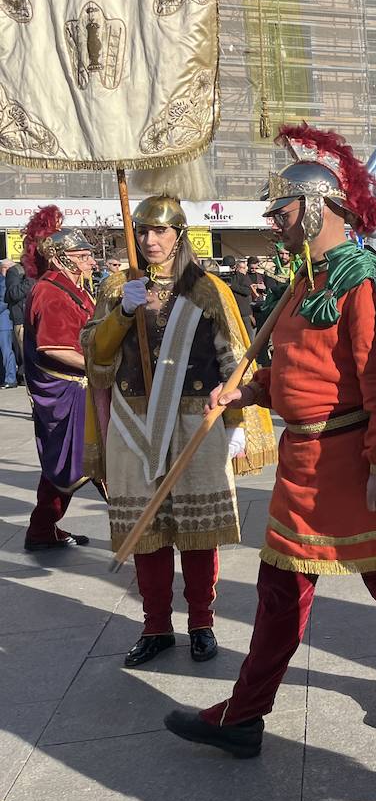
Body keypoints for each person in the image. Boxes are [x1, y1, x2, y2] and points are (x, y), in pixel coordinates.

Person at [163, 124, 376, 758]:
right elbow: (295, 372)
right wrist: (246, 390)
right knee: (279, 590)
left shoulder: (361, 279)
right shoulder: (301, 281)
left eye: (280, 211)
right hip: (300, 461)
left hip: (355, 457)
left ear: (316, 207)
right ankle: (246, 714)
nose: (272, 224)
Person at [82, 195, 277, 667]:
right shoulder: (117, 287)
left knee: (197, 530)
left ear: (179, 235)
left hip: (195, 419)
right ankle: (155, 626)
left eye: (161, 231)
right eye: (143, 230)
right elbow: (95, 355)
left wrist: (236, 423)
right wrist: (121, 316)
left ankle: (201, 623)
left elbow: (234, 358)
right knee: (146, 528)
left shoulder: (208, 289)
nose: (150, 240)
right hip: (134, 421)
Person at [18, 208, 97, 551]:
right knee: (93, 461)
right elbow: (54, 348)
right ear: (63, 258)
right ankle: (141, 535)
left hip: (78, 388)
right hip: (69, 389)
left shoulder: (69, 285)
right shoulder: (51, 292)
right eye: (83, 255)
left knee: (65, 463)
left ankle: (41, 530)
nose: (91, 261)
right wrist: (100, 369)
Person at [7, 251, 34, 385]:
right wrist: (30, 281)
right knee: (25, 353)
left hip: (37, 317)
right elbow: (13, 294)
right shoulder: (15, 271)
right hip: (22, 320)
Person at [0, 260, 16, 388]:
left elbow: (4, 301)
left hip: (4, 322)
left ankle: (10, 379)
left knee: (6, 351)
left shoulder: (5, 282)